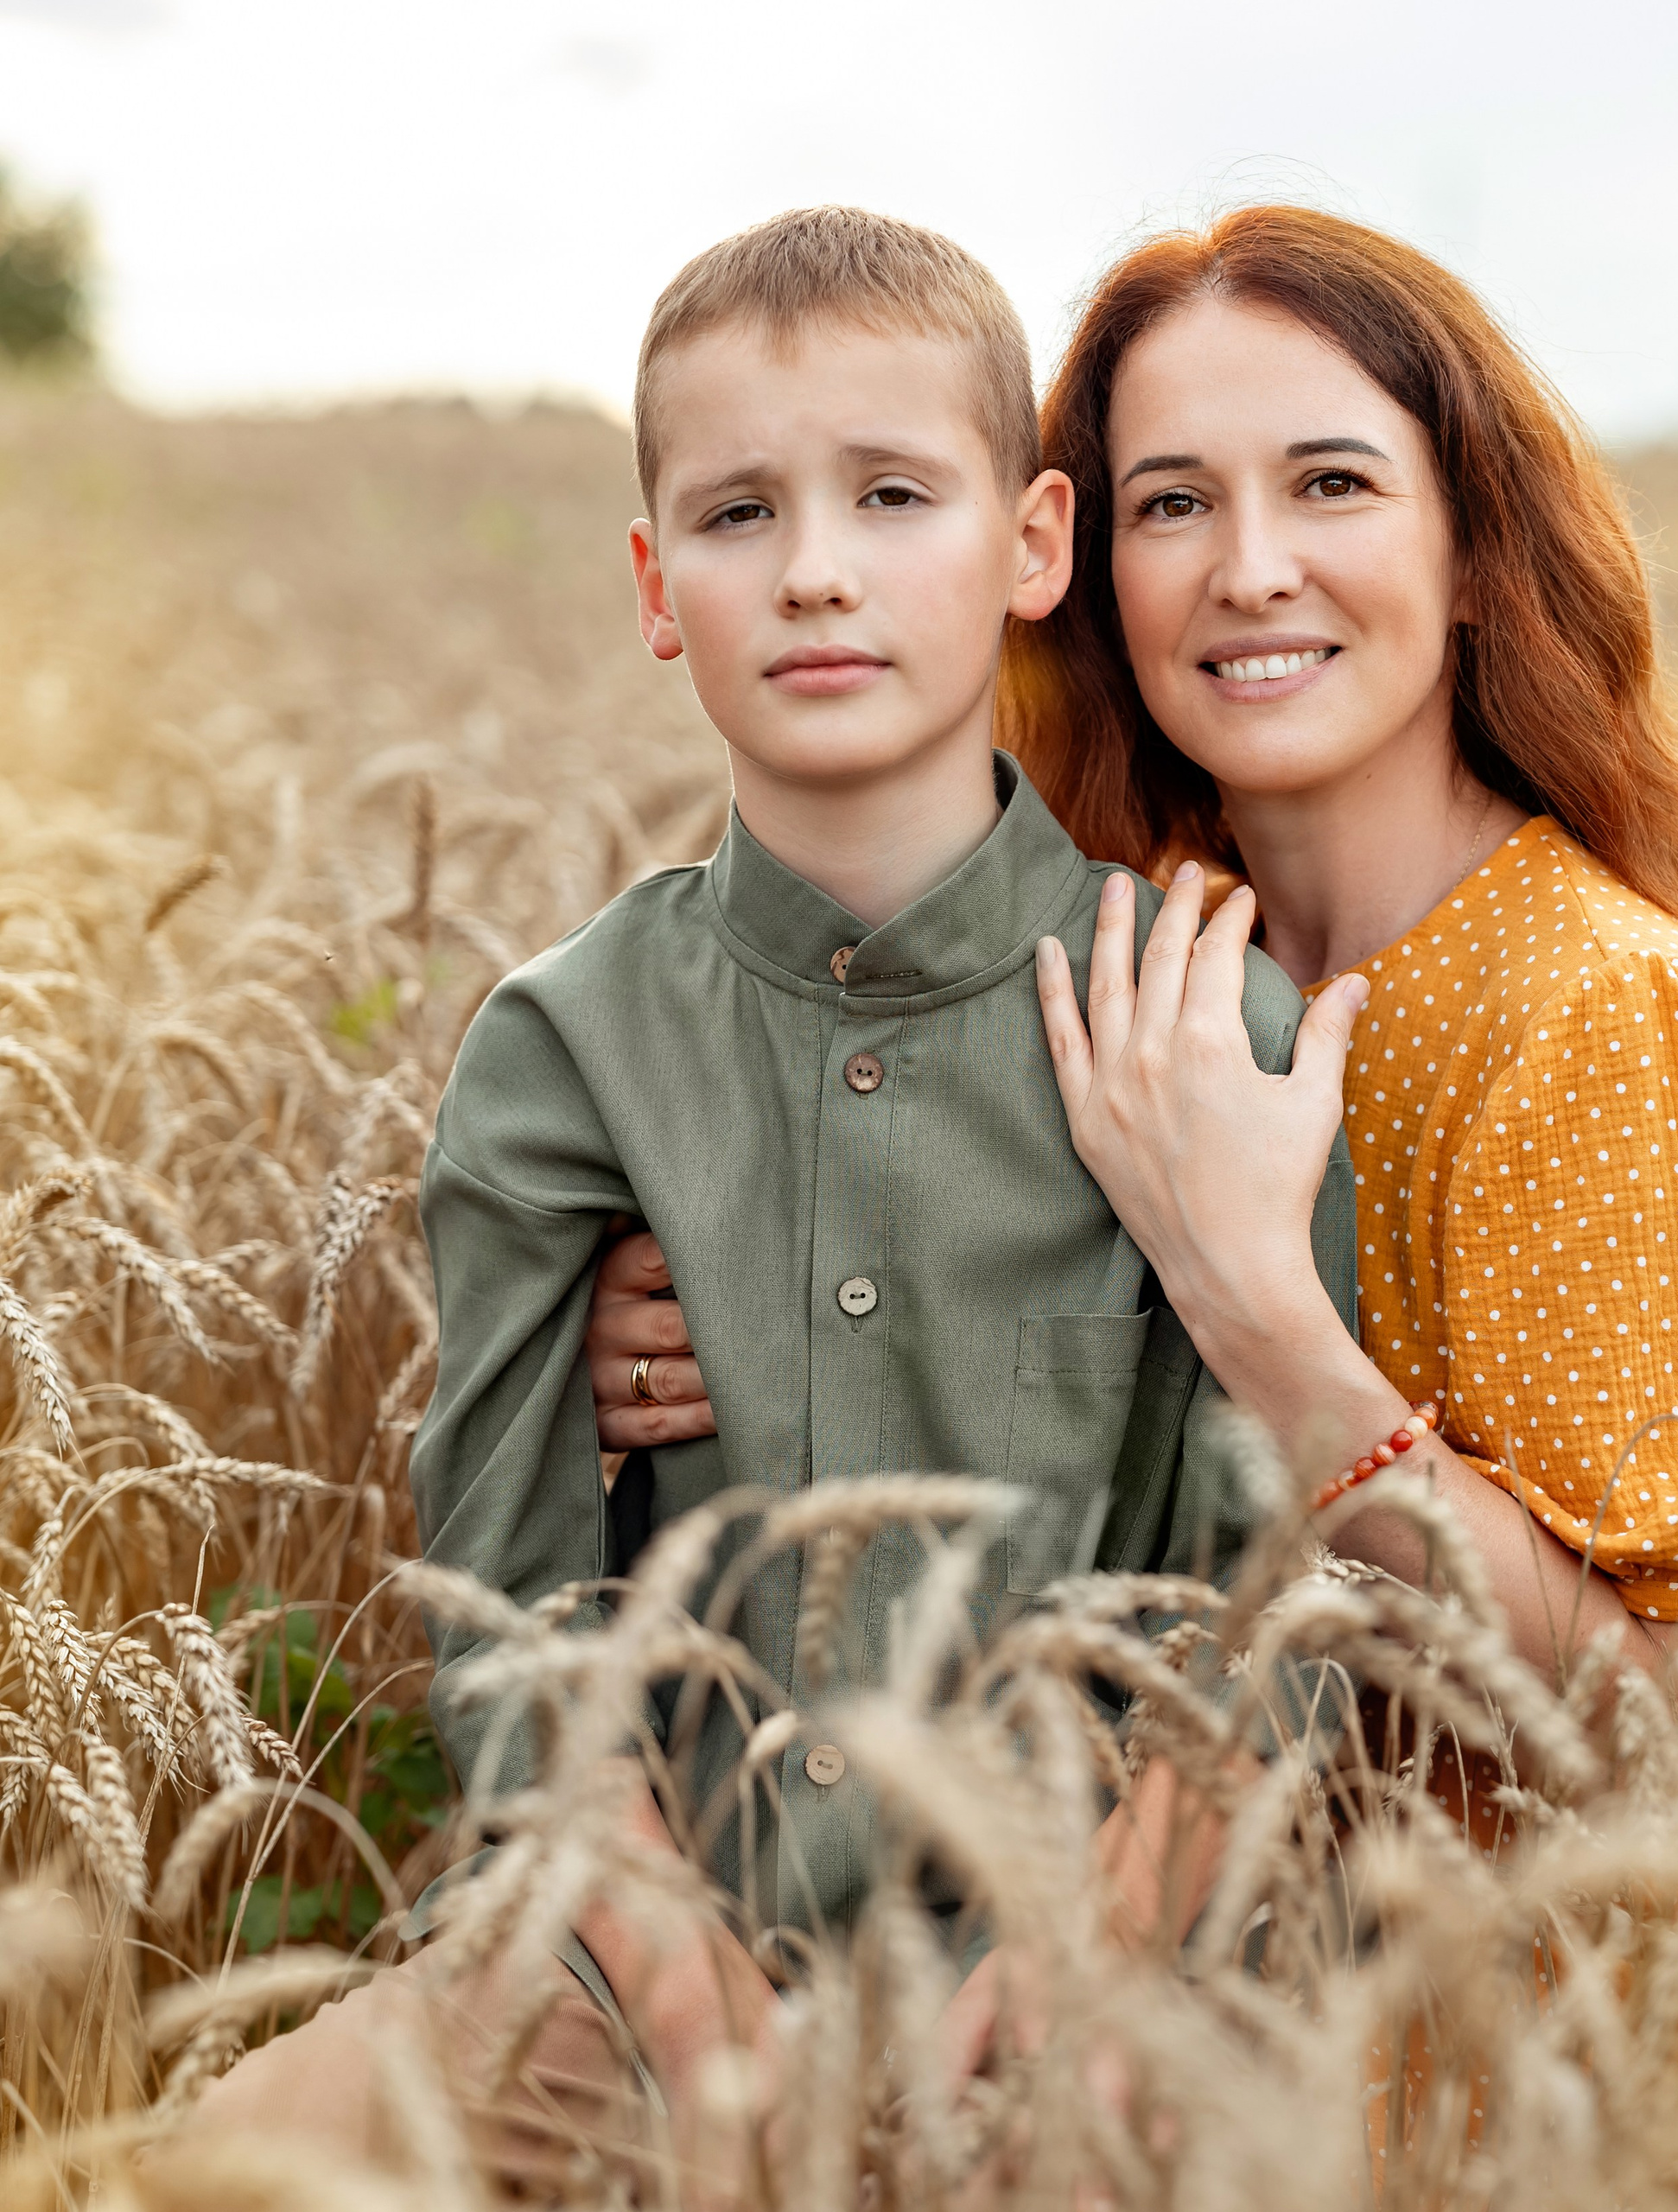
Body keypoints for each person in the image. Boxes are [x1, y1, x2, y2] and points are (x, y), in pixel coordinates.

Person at [182, 207, 1357, 2183]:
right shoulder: (563, 1050)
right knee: (220, 2160)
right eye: (739, 514)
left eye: (891, 495)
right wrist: (677, 1986)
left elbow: (1271, 1604)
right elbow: (511, 1608)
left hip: (1082, 1979)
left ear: (1031, 545)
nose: (814, 568)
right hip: (631, 1964)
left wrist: (1084, 1951)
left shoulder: (1194, 1019)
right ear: (658, 584)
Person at [591, 203, 1678, 1698]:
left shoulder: (1597, 1015)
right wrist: (673, 1324)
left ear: (1474, 550)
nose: (1253, 570)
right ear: (1080, 562)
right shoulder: (1130, 960)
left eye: (1332, 483)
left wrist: (1261, 1319)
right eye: (1173, 504)